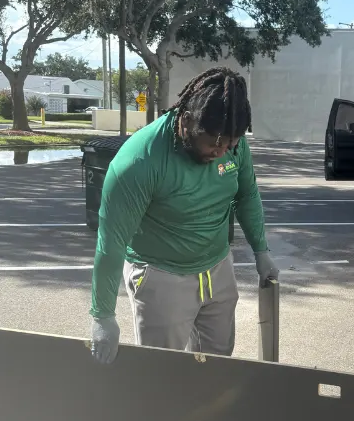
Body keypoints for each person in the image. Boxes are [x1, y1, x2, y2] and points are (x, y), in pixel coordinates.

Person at [88, 66, 278, 368]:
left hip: (217, 269)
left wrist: (261, 250)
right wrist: (103, 316)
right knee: (163, 372)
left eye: (229, 143)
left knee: (217, 364)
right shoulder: (140, 161)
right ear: (187, 121)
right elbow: (110, 243)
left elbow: (247, 195)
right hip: (162, 276)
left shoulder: (232, 144)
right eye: (214, 143)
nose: (222, 151)